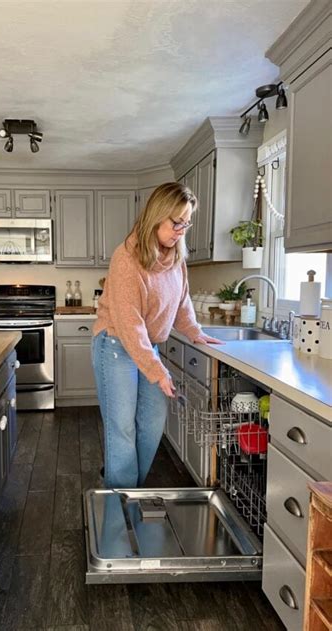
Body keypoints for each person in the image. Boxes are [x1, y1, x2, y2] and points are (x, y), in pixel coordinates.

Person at [91, 181, 222, 489]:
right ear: (156, 216)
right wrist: (156, 369)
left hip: (147, 347)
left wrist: (195, 332)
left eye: (187, 223)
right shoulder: (127, 258)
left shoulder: (176, 258)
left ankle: (125, 487)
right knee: (122, 428)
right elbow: (129, 324)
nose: (182, 230)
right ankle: (120, 505)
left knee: (151, 424)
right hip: (115, 345)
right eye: (177, 222)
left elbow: (182, 302)